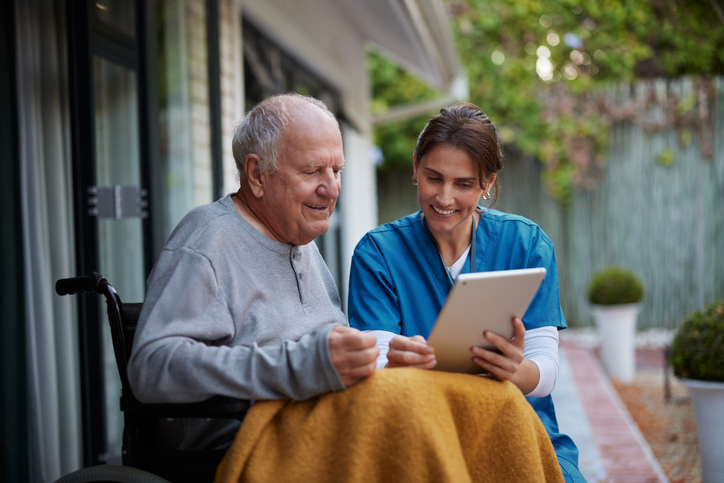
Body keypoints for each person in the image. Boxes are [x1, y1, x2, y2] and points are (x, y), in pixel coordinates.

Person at [347, 102, 585, 482]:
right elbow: (373, 364)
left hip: (515, 424)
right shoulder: (378, 253)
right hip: (418, 428)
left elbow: (546, 372)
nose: (444, 198)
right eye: (433, 177)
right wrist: (392, 363)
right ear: (415, 167)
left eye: (463, 184)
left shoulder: (525, 244)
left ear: (487, 184)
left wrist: (517, 370)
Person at [127, 93, 379, 449]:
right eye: (312, 171)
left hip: (321, 423)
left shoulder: (298, 235)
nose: (332, 188)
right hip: (251, 444)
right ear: (257, 175)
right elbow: (152, 367)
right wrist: (297, 367)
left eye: (336, 170)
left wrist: (377, 354)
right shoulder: (207, 240)